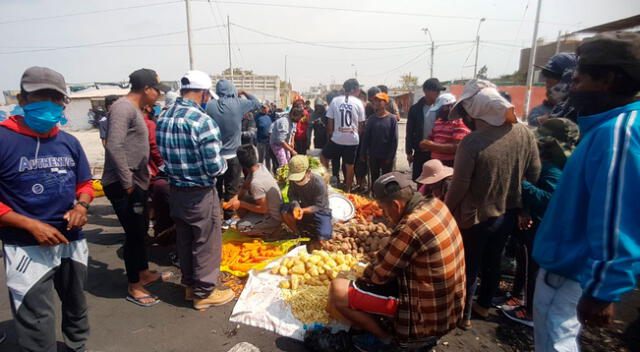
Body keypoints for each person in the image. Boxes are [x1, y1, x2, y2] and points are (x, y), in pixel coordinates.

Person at [531, 32, 640, 351]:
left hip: (569, 272)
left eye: (581, 74)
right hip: (569, 268)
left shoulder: (619, 135)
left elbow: (618, 218)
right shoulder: (608, 128)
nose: (572, 80)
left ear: (607, 80)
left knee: (556, 343)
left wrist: (603, 290)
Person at [0, 66, 94, 351]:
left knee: (76, 306)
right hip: (25, 246)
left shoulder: (68, 142)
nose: (50, 104)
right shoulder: (4, 139)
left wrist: (82, 205)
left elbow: (86, 184)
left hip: (71, 241)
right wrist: (29, 224)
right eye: (41, 96)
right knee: (36, 319)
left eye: (56, 98)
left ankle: (78, 347)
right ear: (22, 98)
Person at [329, 172, 465, 351]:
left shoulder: (411, 225)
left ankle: (387, 341)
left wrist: (355, 279)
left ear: (395, 204)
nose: (384, 216)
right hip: (450, 310)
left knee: (338, 290)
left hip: (425, 319)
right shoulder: (436, 205)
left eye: (384, 210)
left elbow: (378, 276)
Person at [444, 79, 541, 329]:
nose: (465, 118)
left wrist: (444, 212)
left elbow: (459, 186)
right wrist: (524, 207)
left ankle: (463, 315)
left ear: (477, 110)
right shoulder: (524, 132)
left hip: (474, 216)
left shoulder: (472, 142)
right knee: (493, 261)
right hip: (507, 214)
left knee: (469, 265)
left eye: (467, 112)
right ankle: (484, 306)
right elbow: (534, 172)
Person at [156, 70, 234, 310]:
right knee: (206, 243)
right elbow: (214, 168)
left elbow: (163, 157)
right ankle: (204, 293)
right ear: (202, 94)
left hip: (176, 190)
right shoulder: (202, 122)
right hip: (199, 193)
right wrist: (224, 164)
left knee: (185, 240)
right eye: (206, 95)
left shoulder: (165, 118)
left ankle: (190, 286)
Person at [499, 118, 579, 328]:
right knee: (525, 262)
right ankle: (519, 298)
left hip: (540, 225)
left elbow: (548, 199)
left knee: (531, 266)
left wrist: (522, 183)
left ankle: (530, 311)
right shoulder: (556, 164)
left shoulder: (554, 169)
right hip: (535, 222)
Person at [103, 68, 170, 307]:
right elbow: (114, 146)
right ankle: (134, 285)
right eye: (157, 91)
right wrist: (127, 183)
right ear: (146, 89)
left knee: (141, 229)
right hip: (124, 184)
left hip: (136, 181)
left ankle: (142, 272)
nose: (159, 96)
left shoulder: (135, 109)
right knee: (133, 234)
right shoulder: (122, 108)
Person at [206, 79, 260, 221]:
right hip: (233, 156)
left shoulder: (210, 105)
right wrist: (243, 92)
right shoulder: (238, 104)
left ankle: (215, 218)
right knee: (231, 189)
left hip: (216, 156)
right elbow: (256, 102)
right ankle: (228, 219)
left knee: (216, 189)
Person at [320, 79, 366, 193]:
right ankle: (348, 189)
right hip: (353, 139)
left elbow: (330, 123)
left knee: (323, 157)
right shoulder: (359, 103)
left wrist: (333, 135)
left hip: (337, 138)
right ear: (356, 90)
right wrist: (354, 135)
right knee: (349, 165)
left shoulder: (335, 101)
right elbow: (361, 125)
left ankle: (326, 184)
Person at [229, 145, 283, 237]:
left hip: (273, 217)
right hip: (269, 208)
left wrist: (241, 204)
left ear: (242, 164)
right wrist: (235, 198)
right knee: (243, 199)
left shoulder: (256, 182)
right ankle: (255, 223)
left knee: (241, 227)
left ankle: (270, 230)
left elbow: (263, 209)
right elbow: (245, 187)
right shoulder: (260, 167)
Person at [281, 156, 332, 248]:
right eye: (296, 179)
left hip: (320, 212)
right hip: (302, 208)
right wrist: (296, 206)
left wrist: (303, 210)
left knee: (324, 237)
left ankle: (319, 236)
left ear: (308, 172)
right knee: (284, 210)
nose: (298, 181)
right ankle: (299, 233)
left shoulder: (319, 183)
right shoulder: (293, 181)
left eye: (300, 178)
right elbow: (292, 196)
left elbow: (319, 206)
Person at [406, 78, 445, 181]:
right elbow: (409, 131)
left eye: (439, 91)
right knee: (420, 179)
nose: (438, 93)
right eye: (436, 90)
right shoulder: (415, 109)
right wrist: (409, 152)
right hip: (420, 151)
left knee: (436, 179)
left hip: (438, 151)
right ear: (426, 91)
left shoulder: (443, 109)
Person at [420, 93, 471, 167]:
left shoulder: (459, 122)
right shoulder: (439, 121)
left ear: (451, 106)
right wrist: (425, 143)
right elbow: (431, 137)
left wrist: (432, 145)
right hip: (436, 162)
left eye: (442, 109)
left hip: (450, 163)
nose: (439, 112)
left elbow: (457, 147)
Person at [361, 93, 398, 185]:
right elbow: (366, 137)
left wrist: (391, 156)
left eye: (379, 101)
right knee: (375, 178)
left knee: (387, 179)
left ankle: (386, 198)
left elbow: (394, 139)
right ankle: (374, 196)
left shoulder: (392, 119)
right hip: (373, 155)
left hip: (386, 156)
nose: (376, 103)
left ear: (386, 103)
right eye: (375, 101)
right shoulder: (371, 119)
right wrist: (363, 152)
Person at [535, 52, 578, 124]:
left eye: (550, 82)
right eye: (546, 82)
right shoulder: (559, 108)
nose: (547, 87)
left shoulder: (578, 113)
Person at [255, 104, 273, 169]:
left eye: (266, 108)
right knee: (260, 159)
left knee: (268, 158)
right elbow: (254, 127)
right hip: (261, 141)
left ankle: (268, 171)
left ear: (268, 108)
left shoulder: (269, 116)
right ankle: (260, 172)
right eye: (263, 108)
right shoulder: (257, 116)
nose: (264, 109)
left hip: (269, 141)